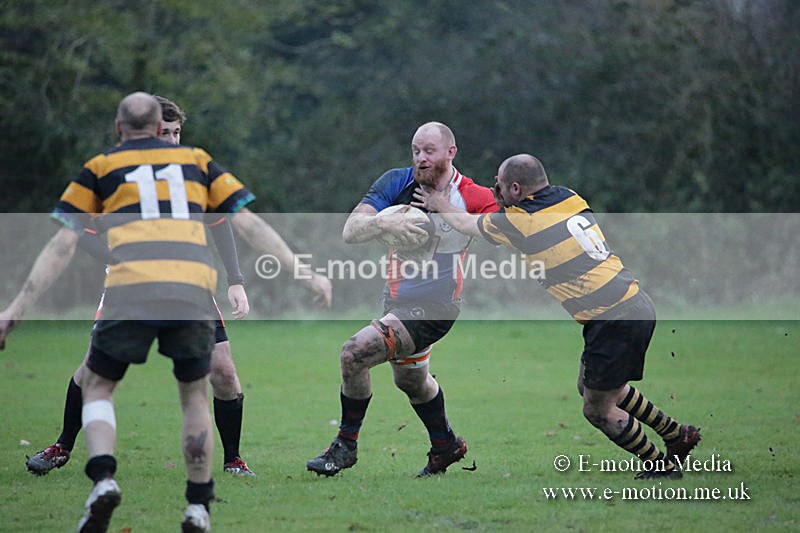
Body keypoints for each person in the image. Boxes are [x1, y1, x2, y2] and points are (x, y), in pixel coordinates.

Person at [0, 96, 333, 482]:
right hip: (142, 284)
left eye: (178, 132)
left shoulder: (183, 167)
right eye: (167, 131)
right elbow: (77, 235)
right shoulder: (133, 168)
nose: (172, 139)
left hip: (185, 283)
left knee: (219, 373)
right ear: (155, 127)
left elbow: (227, 225)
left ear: (120, 126)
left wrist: (238, 280)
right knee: (111, 376)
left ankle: (227, 461)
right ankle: (69, 447)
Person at [413, 153, 701, 479]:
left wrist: (439, 202)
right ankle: (678, 435)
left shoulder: (522, 221)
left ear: (517, 188)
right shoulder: (569, 197)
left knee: (597, 408)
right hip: (631, 303)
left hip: (614, 318)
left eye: (500, 183)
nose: (495, 187)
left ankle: (659, 465)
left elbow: (467, 223)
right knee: (594, 386)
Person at [306, 122, 497, 477]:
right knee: (411, 381)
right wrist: (385, 224)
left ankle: (345, 445)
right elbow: (350, 231)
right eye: (415, 151)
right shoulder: (397, 182)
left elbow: (505, 231)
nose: (420, 159)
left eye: (429, 151)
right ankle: (446, 445)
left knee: (354, 353)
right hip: (396, 303)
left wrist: (446, 210)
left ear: (451, 153)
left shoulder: (470, 194)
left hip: (437, 308)